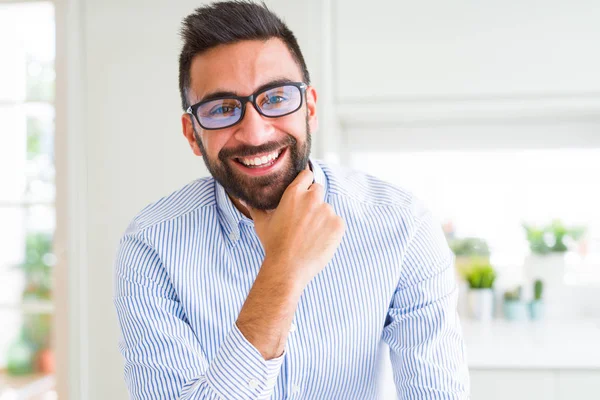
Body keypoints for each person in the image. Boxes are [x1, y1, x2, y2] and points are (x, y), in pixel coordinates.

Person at [114, 1, 470, 399]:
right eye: (222, 109)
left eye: (276, 98)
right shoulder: (151, 247)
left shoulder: (402, 225)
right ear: (191, 133)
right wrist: (282, 270)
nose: (254, 132)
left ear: (310, 108)